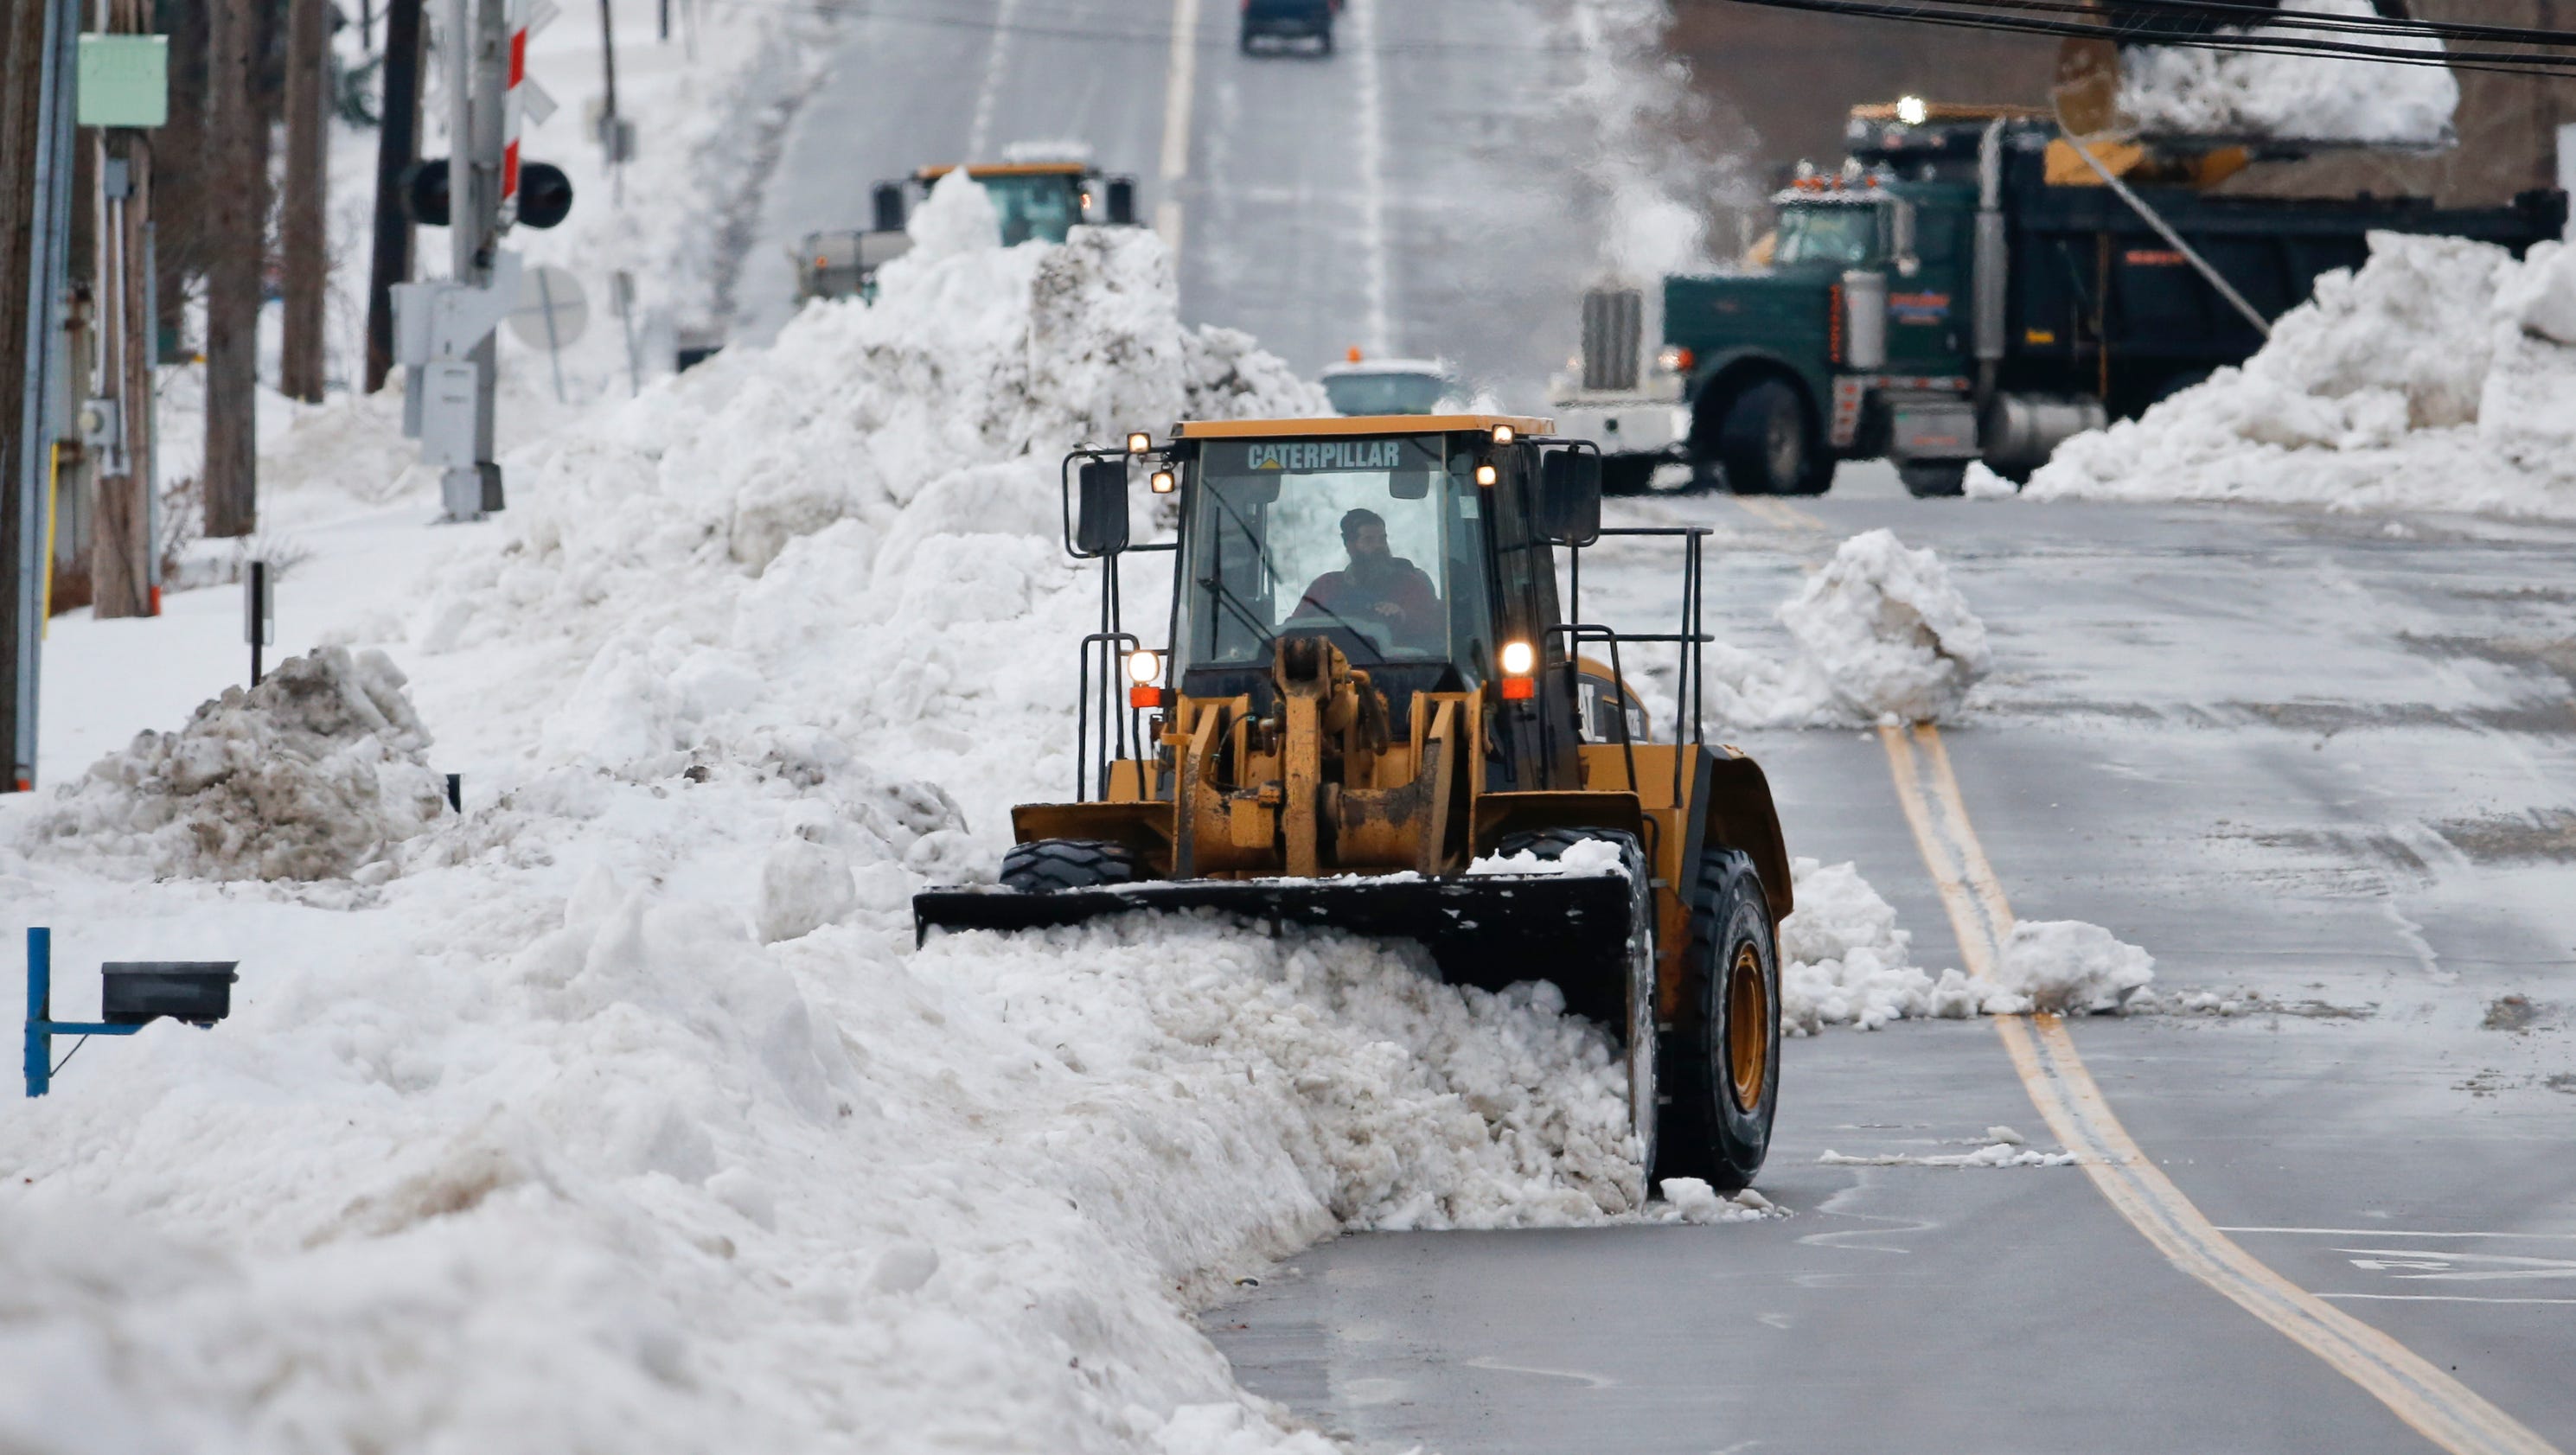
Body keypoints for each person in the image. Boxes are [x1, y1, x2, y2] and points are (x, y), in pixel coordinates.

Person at [1294, 508, 1441, 649]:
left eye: (1382, 539)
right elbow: (1293, 630)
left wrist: (1402, 615)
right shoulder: (1326, 586)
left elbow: (1437, 627)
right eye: (1369, 540)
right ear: (1350, 546)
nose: (1379, 546)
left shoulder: (1410, 584)